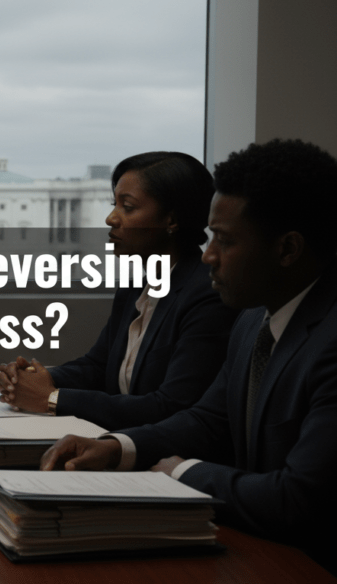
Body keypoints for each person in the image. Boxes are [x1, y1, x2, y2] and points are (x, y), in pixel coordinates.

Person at [39, 139, 337, 572]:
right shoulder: (253, 318)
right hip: (258, 549)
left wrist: (183, 472)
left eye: (225, 241)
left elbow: (297, 499)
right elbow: (208, 419)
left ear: (288, 249)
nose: (209, 256)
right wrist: (116, 447)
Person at [0, 152, 238, 430]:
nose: (111, 218)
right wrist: (31, 379)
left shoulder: (207, 295)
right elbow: (98, 366)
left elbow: (171, 406)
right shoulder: (135, 286)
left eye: (128, 207)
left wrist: (51, 399)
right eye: (114, 204)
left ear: (172, 220)